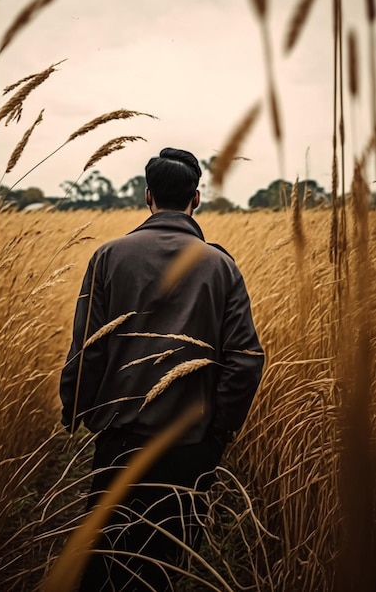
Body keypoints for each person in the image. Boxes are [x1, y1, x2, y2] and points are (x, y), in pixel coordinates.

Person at [59, 147, 264, 591]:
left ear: (147, 195)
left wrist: (75, 408)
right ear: (197, 197)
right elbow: (245, 360)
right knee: (165, 566)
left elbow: (87, 349)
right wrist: (217, 432)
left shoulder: (108, 257)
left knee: (107, 562)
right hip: (189, 447)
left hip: (119, 441)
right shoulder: (220, 265)